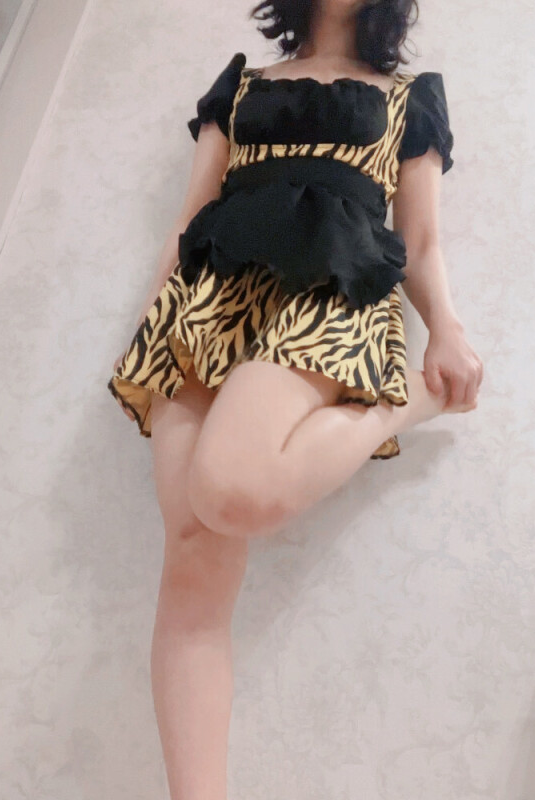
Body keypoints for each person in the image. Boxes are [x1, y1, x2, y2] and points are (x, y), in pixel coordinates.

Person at [107, 0, 483, 796]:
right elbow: (188, 217)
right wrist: (151, 322)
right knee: (192, 550)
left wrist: (446, 329)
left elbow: (421, 241)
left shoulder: (409, 97)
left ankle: (404, 403)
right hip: (207, 300)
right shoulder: (241, 87)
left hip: (327, 293)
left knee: (232, 489)